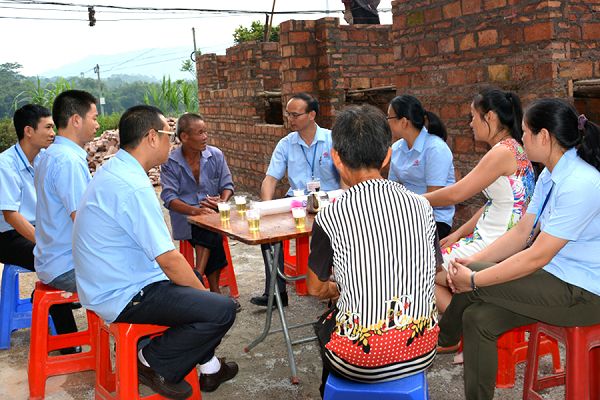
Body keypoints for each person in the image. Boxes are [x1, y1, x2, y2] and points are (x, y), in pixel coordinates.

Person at [438, 99, 600, 400]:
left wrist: (472, 279)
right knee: (478, 319)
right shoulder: (551, 175)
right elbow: (522, 232)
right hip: (555, 277)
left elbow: (537, 255)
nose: (521, 139)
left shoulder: (581, 182)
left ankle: (441, 339)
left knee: (472, 285)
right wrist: (473, 262)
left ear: (544, 136)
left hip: (584, 292)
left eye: (525, 132)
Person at [73, 105, 238, 399]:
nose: (171, 143)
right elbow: (169, 259)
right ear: (151, 137)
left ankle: (209, 366)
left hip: (109, 282)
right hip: (123, 293)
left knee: (196, 299)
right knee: (220, 309)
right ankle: (150, 360)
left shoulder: (115, 168)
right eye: (168, 136)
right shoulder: (132, 186)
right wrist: (204, 293)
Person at [307, 104, 440, 397]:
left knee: (327, 324)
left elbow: (315, 288)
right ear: (387, 155)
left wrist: (340, 289)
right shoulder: (422, 206)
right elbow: (432, 270)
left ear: (337, 159)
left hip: (357, 362)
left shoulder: (330, 215)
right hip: (421, 350)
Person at [423, 88, 536, 314]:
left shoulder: (501, 152)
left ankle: (457, 328)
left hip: (496, 243)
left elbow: (456, 193)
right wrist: (458, 233)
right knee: (426, 261)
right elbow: (496, 202)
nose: (471, 123)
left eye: (473, 116)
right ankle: (461, 323)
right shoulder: (513, 147)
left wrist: (409, 199)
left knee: (417, 268)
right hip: (499, 235)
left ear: (490, 117)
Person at [251, 92, 341, 308]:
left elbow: (347, 175)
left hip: (330, 202)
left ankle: (340, 290)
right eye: (288, 114)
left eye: (295, 114)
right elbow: (271, 179)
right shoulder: (286, 144)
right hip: (297, 203)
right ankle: (276, 292)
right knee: (270, 237)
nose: (290, 119)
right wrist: (266, 208)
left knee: (342, 237)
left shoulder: (332, 139)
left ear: (311, 115)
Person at [0, 104, 77, 343]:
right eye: (48, 127)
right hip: (9, 236)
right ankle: (68, 341)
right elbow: (11, 214)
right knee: (53, 261)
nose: (53, 132)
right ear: (28, 131)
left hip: (39, 230)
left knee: (76, 253)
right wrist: (46, 243)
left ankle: (53, 296)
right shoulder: (6, 164)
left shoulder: (44, 158)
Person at [160, 113, 239, 310]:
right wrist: (195, 212)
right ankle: (212, 290)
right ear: (184, 137)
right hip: (185, 218)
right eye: (200, 132)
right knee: (208, 229)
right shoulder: (170, 162)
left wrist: (222, 200)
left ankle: (198, 281)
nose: (205, 137)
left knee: (209, 226)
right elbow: (169, 198)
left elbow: (227, 185)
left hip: (213, 215)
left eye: (206, 132)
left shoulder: (215, 155)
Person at [387, 94, 455, 239]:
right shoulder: (397, 148)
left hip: (434, 219)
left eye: (389, 118)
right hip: (405, 216)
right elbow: (391, 187)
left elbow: (433, 198)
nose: (387, 123)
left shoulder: (435, 148)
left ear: (404, 122)